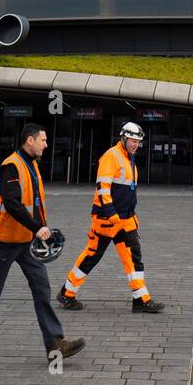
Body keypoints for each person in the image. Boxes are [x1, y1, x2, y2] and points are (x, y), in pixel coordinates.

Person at [0, 123, 85, 370]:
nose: (46, 145)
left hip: (26, 242)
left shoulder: (31, 165)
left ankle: (55, 343)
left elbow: (34, 202)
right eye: (43, 140)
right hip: (5, 241)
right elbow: (13, 204)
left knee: (42, 288)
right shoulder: (11, 166)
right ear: (29, 140)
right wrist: (37, 227)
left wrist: (41, 231)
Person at [57, 121, 165, 313]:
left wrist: (130, 215)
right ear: (123, 138)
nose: (136, 145)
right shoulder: (111, 156)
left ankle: (141, 299)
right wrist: (112, 214)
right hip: (106, 220)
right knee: (92, 256)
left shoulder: (128, 157)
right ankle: (67, 293)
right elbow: (102, 189)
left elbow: (127, 191)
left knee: (134, 257)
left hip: (125, 219)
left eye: (138, 142)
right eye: (133, 140)